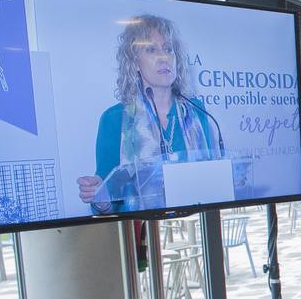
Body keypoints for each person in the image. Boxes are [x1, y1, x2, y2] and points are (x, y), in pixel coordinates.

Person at [78, 15, 218, 212]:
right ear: (134, 62)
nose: (163, 57)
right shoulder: (113, 119)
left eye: (168, 50)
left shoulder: (196, 112)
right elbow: (108, 199)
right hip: (139, 229)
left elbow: (211, 179)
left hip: (196, 220)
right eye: (152, 50)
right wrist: (100, 199)